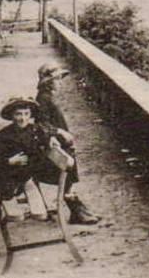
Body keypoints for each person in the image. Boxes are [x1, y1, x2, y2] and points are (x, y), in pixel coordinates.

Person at [0, 97, 73, 267]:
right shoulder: (3, 135)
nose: (22, 118)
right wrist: (9, 161)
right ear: (11, 116)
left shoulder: (36, 131)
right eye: (18, 114)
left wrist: (57, 135)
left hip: (18, 179)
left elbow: (51, 131)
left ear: (30, 115)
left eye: (26, 114)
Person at [34, 64, 100, 225]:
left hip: (62, 143)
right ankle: (76, 211)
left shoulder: (48, 96)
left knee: (69, 175)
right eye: (57, 79)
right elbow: (41, 124)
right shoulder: (43, 98)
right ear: (48, 82)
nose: (60, 82)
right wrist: (59, 132)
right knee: (66, 173)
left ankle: (78, 210)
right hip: (53, 144)